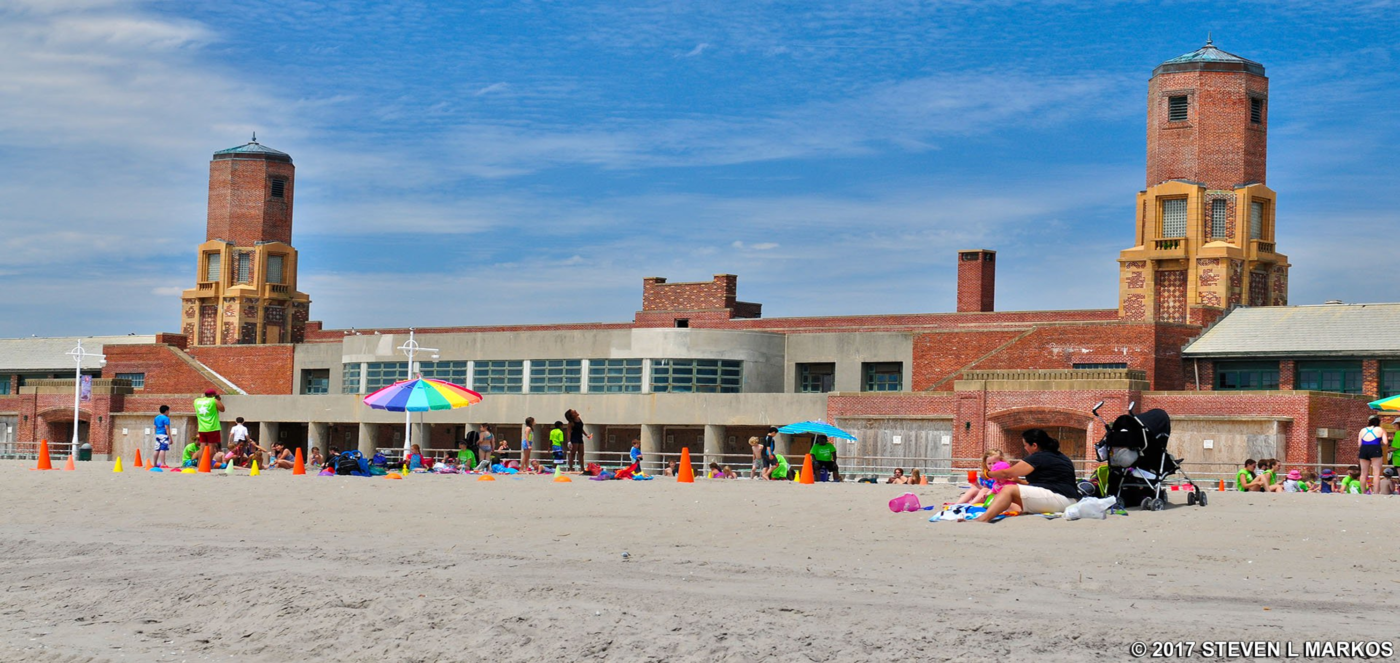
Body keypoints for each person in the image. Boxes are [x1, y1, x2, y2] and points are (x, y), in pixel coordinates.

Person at [976, 428, 1080, 522]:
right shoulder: (1061, 457)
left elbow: (1006, 473)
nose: (1025, 448)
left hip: (1060, 499)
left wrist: (987, 474)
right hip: (1069, 500)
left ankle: (983, 519)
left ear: (1034, 445)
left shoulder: (1038, 457)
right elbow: (1049, 483)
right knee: (1013, 494)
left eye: (1025, 445)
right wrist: (1019, 482)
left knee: (1008, 489)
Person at [192, 389, 225, 458]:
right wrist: (218, 400)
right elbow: (222, 409)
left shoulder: (197, 401)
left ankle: (200, 464)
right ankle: (208, 464)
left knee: (202, 447)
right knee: (211, 447)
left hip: (201, 428)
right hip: (212, 427)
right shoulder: (214, 400)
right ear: (213, 395)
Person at [1358, 415, 1387, 493]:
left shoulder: (1362, 430)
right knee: (1376, 473)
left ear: (1369, 421)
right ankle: (1376, 492)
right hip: (1375, 448)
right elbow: (1385, 442)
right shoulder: (1381, 430)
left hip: (1364, 449)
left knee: (1363, 473)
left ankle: (1363, 492)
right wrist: (1379, 445)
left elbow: (1359, 444)